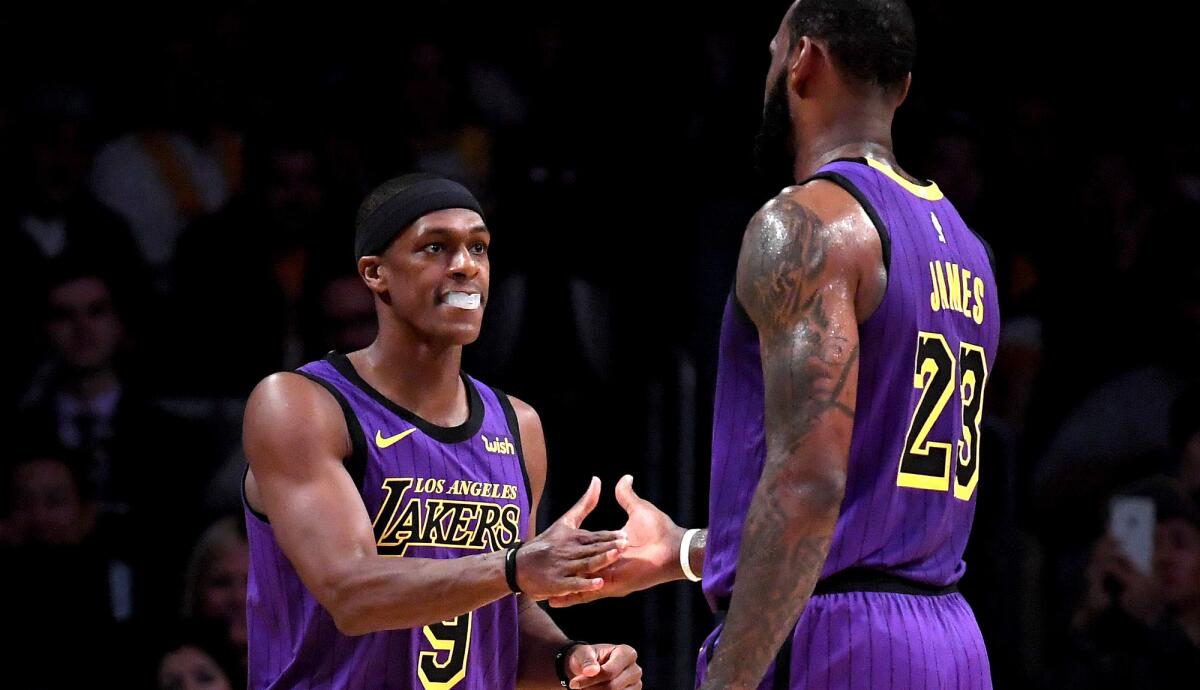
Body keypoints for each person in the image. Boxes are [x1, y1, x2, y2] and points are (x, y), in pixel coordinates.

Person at [552, 2, 998, 688]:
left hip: (838, 642)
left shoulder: (805, 224)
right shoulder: (969, 249)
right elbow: (878, 499)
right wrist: (688, 551)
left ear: (803, 60)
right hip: (952, 639)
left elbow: (811, 487)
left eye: (772, 53)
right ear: (901, 87)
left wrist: (728, 679)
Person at [242, 173, 643, 689]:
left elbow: (504, 614)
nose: (465, 266)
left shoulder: (518, 425)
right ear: (374, 273)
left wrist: (573, 662)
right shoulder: (302, 404)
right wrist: (516, 567)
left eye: (479, 247)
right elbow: (352, 593)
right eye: (436, 247)